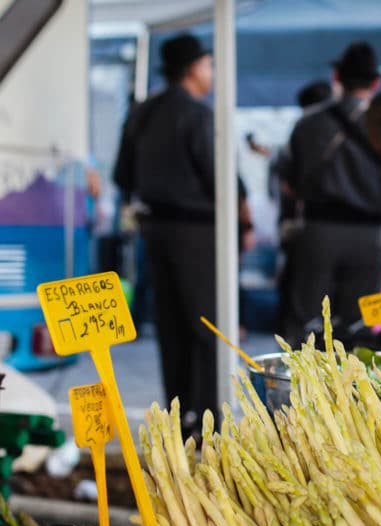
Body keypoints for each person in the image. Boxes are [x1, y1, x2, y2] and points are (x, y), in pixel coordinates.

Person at [112, 34, 234, 434]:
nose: (212, 73)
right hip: (199, 231)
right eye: (209, 65)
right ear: (194, 68)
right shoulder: (198, 115)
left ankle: (178, 415)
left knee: (171, 327)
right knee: (206, 325)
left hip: (156, 231)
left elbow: (122, 175)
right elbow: (218, 176)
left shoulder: (141, 113)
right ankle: (207, 419)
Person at [278, 43, 381, 346]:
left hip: (318, 231)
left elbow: (289, 181)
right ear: (376, 82)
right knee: (357, 325)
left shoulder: (308, 123)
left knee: (306, 322)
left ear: (336, 76)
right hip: (370, 236)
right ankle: (353, 391)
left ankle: (299, 391)